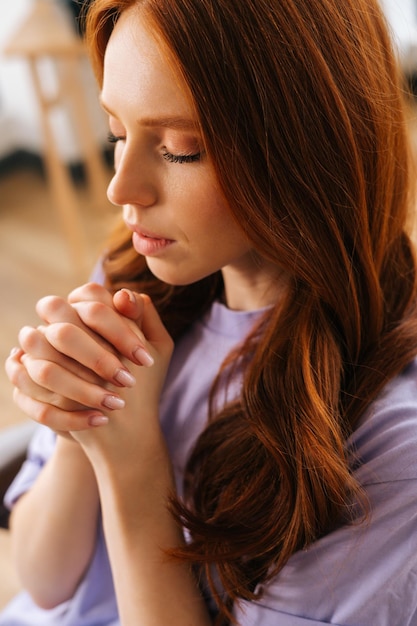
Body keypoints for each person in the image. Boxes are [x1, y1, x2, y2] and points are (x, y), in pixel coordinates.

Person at [2, 0, 417, 624]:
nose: (121, 189)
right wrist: (76, 425)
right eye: (118, 132)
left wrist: (132, 461)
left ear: (309, 148)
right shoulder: (137, 285)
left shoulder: (387, 449)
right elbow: (45, 580)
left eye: (180, 149)